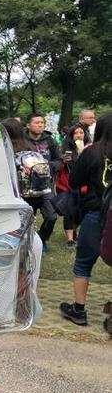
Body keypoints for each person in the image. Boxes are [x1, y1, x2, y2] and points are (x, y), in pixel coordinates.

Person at [60, 113, 112, 326]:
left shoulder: (91, 152)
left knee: (83, 263)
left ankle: (79, 310)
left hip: (95, 212)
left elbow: (74, 180)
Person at [25, 113, 62, 252]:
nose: (40, 125)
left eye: (42, 123)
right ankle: (27, 243)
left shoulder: (50, 140)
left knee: (51, 217)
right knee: (27, 217)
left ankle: (42, 239)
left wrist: (48, 166)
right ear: (28, 125)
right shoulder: (22, 140)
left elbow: (59, 160)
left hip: (46, 186)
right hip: (28, 187)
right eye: (36, 122)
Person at [57, 124, 90, 247]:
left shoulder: (89, 148)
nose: (79, 135)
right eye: (76, 133)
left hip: (84, 186)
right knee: (69, 211)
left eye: (81, 132)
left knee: (81, 211)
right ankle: (70, 239)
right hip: (67, 185)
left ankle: (76, 230)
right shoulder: (66, 149)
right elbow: (61, 166)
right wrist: (63, 161)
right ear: (71, 135)